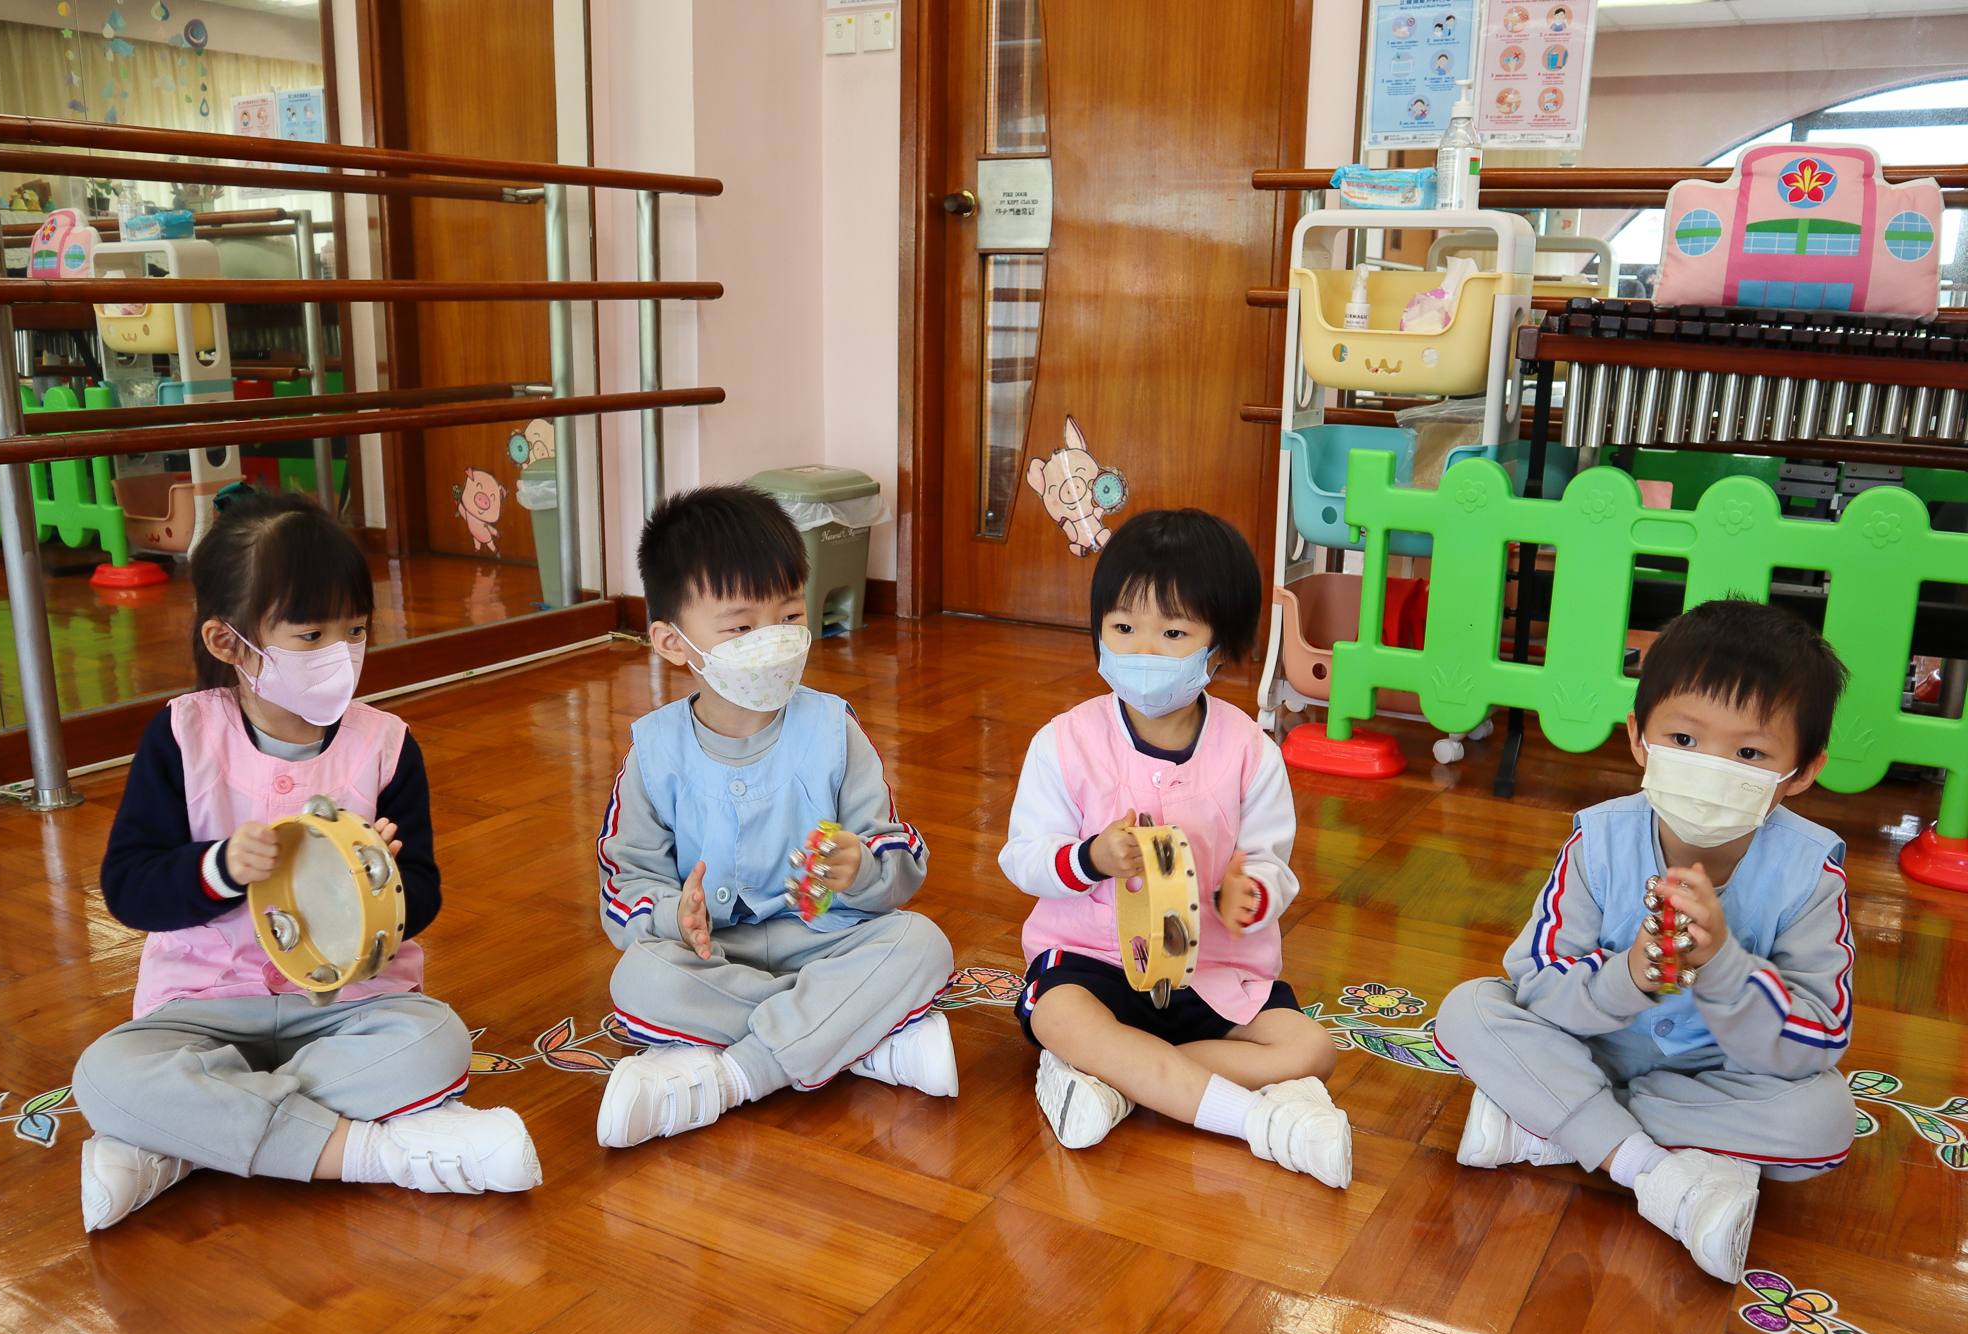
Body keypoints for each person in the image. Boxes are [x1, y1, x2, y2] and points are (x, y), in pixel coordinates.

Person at [75, 488, 540, 1231]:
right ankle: (372, 1152)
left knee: (437, 1043)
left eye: (354, 630)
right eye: (311, 635)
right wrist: (220, 868)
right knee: (103, 1074)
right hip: (202, 1007)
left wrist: (380, 885)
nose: (341, 653)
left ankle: (188, 1142)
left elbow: (423, 888)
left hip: (351, 1006)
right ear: (229, 643)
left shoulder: (385, 743)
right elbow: (129, 888)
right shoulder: (183, 736)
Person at [1435, 599, 1857, 1283]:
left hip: (1716, 1079)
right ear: (1639, 738)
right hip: (1592, 1048)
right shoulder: (1598, 837)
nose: (1711, 768)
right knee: (1469, 1010)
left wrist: (1724, 967)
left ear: (1802, 771)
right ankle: (1653, 1169)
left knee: (1826, 1121)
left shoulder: (1810, 871)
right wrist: (1628, 976)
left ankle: (1559, 1122)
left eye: (1749, 753)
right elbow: (1537, 986)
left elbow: (1819, 1036)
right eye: (1684, 739)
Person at [596, 485, 955, 1146]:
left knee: (922, 944)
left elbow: (895, 853)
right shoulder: (653, 751)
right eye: (741, 628)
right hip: (716, 957)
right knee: (638, 979)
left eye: (789, 616)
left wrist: (862, 868)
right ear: (673, 643)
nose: (774, 642)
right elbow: (624, 888)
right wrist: (673, 915)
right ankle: (860, 1041)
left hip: (826, 940)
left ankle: (736, 1076)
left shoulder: (832, 729)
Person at [998, 509, 1349, 1185]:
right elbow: (1023, 857)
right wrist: (1090, 857)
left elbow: (1272, 864)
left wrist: (1250, 893)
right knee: (1059, 1016)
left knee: (1311, 1049)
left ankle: (1121, 1080)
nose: (1145, 652)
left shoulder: (1251, 751)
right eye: (1124, 628)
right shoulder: (1064, 742)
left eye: (1174, 633)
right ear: (1098, 631)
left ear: (1219, 648)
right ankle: (1252, 1121)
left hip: (1212, 970)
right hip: (1096, 965)